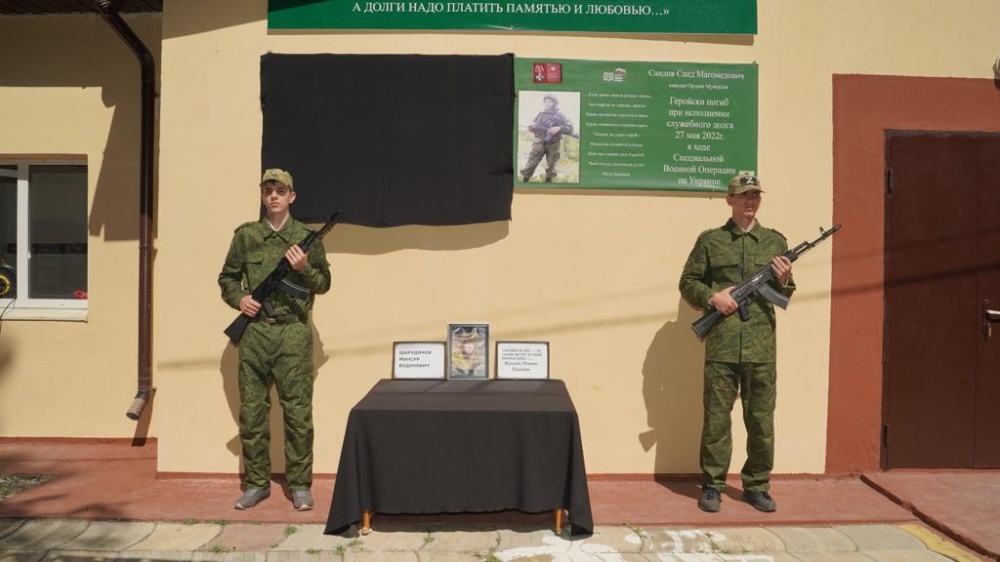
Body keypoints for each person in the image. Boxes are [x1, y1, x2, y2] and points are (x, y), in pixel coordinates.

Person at [678, 173, 795, 514]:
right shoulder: (711, 241)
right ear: (730, 199)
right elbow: (688, 282)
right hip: (723, 344)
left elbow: (786, 292)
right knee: (717, 419)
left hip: (761, 347)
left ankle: (757, 486)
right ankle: (713, 485)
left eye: (755, 195)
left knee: (761, 421)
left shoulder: (774, 241)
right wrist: (712, 297)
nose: (750, 201)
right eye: (743, 195)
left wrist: (785, 278)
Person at [218, 168, 332, 511]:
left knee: (298, 413)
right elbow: (227, 278)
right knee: (252, 413)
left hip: (293, 334)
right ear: (262, 195)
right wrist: (240, 299)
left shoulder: (306, 238)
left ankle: (300, 485)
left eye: (280, 191)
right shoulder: (247, 236)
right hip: (255, 333)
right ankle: (256, 484)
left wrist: (304, 268)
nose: (273, 196)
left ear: (291, 196)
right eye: (268, 190)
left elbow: (324, 283)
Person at [520, 94, 574, 183]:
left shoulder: (560, 115)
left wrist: (559, 128)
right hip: (538, 144)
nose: (547, 103)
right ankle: (525, 184)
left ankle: (548, 185)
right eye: (546, 101)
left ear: (555, 103)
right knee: (530, 165)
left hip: (553, 145)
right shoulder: (540, 114)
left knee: (550, 167)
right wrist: (531, 127)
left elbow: (570, 128)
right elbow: (533, 127)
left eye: (550, 101)